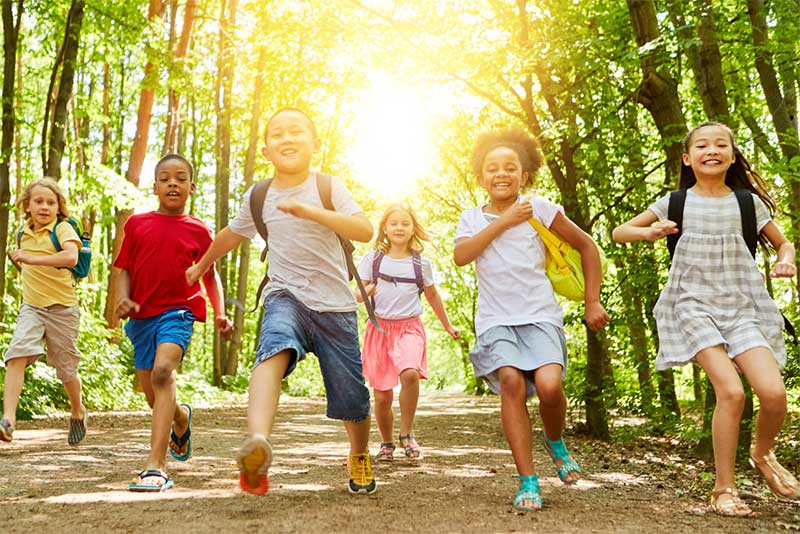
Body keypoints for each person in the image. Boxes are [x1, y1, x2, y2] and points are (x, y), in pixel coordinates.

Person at [185, 108, 377, 496]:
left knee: (352, 394)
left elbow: (365, 229)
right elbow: (230, 235)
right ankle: (257, 442)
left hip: (336, 305)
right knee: (272, 347)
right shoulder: (259, 195)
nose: (286, 138)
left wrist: (310, 210)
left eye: (296, 131)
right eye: (276, 134)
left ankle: (359, 452)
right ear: (267, 149)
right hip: (284, 293)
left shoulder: (328, 186)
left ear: (314, 143)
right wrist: (202, 265)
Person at [612, 122, 799, 516]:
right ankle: (723, 490)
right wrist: (649, 233)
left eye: (720, 145)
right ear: (687, 157)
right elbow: (619, 232)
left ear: (732, 156)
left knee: (773, 395)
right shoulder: (674, 201)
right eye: (701, 145)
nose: (711, 150)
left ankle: (762, 454)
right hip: (691, 303)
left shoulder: (748, 203)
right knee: (730, 392)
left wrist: (785, 261)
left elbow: (783, 242)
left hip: (742, 305)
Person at [453, 127, 610, 511]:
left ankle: (554, 441)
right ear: (481, 178)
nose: (501, 174)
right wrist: (504, 221)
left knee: (550, 386)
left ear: (524, 176)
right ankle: (528, 480)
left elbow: (587, 246)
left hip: (540, 315)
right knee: (511, 383)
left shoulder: (540, 207)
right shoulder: (472, 218)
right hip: (495, 319)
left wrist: (592, 302)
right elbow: (462, 255)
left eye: (510, 168)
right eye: (492, 168)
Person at [114, 154, 233, 492]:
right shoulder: (136, 225)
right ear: (154, 187)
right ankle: (180, 417)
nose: (172, 183)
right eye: (165, 178)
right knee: (154, 396)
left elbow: (211, 276)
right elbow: (124, 268)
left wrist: (220, 313)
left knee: (163, 372)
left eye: (180, 178)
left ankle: (156, 465)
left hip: (178, 312)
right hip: (141, 318)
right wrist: (123, 299)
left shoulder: (198, 229)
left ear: (192, 188)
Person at [356, 203, 460, 462]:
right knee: (381, 396)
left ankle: (407, 434)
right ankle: (387, 442)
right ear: (385, 228)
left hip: (409, 328)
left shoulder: (420, 264)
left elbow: (433, 295)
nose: (399, 228)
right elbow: (356, 294)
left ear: (413, 228)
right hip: (379, 329)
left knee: (410, 374)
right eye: (394, 223)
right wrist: (365, 292)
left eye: (405, 223)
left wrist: (447, 325)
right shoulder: (372, 260)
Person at [1, 178, 87, 445]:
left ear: (59, 207)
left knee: (66, 369)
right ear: (27, 205)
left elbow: (71, 257)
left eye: (51, 202)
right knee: (16, 355)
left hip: (63, 309)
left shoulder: (62, 229)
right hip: (32, 308)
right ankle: (8, 421)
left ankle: (78, 410)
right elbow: (25, 268)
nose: (45, 207)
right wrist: (26, 262)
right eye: (38, 201)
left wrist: (31, 258)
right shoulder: (22, 233)